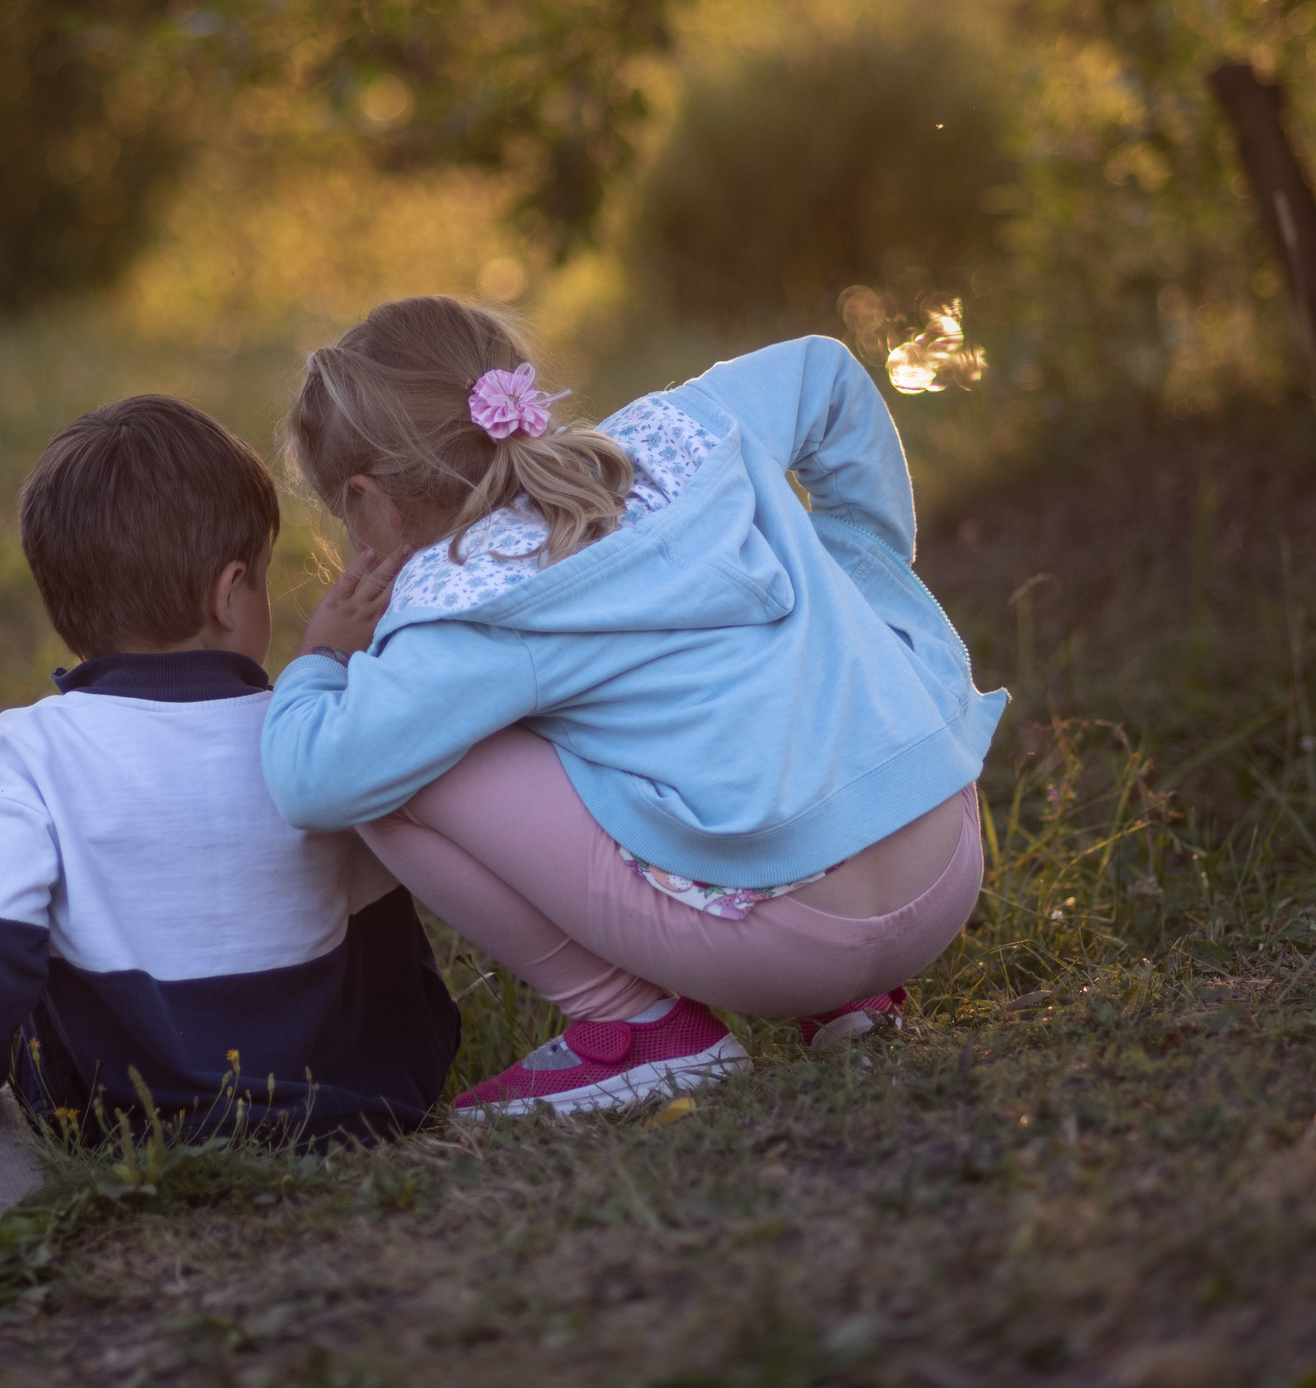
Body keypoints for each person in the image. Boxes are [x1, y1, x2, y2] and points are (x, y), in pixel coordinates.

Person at [261, 297, 1005, 1115]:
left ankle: (636, 1028)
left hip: (794, 944)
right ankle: (849, 1005)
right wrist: (860, 572)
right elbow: (829, 375)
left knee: (393, 769)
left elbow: (314, 778)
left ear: (372, 498)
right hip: (943, 855)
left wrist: (325, 659)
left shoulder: (463, 609)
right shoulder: (683, 428)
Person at [0, 395, 460, 1143]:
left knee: (25, 932)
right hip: (345, 1097)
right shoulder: (301, 732)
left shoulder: (27, 747)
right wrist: (329, 666)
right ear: (229, 592)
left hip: (121, 1116)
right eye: (264, 578)